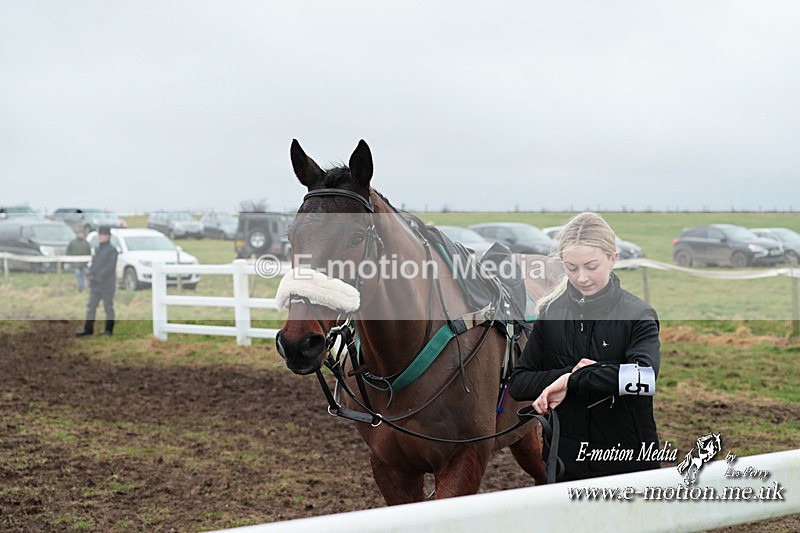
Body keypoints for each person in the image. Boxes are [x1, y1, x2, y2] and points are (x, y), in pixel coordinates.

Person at [509, 212, 660, 481]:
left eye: (591, 267)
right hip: (566, 462)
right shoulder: (551, 313)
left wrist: (573, 380)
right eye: (571, 267)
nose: (581, 277)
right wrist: (570, 377)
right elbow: (520, 383)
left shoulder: (638, 314)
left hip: (627, 464)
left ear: (613, 259)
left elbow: (644, 378)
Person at [76, 226, 118, 337]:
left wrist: (99, 276)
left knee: (108, 307)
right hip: (96, 284)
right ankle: (88, 329)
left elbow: (110, 267)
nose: (100, 237)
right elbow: (94, 264)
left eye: (102, 235)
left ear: (108, 236)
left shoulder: (112, 251)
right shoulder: (97, 249)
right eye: (99, 235)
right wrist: (91, 274)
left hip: (107, 285)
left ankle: (108, 330)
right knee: (91, 307)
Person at [66, 228, 91, 292]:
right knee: (78, 274)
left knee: (83, 274)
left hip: (83, 263)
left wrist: (86, 261)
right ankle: (81, 287)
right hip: (75, 263)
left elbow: (89, 252)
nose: (80, 235)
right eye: (79, 233)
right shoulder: (72, 242)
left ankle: (83, 286)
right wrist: (70, 260)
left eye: (81, 233)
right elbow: (68, 251)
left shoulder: (86, 243)